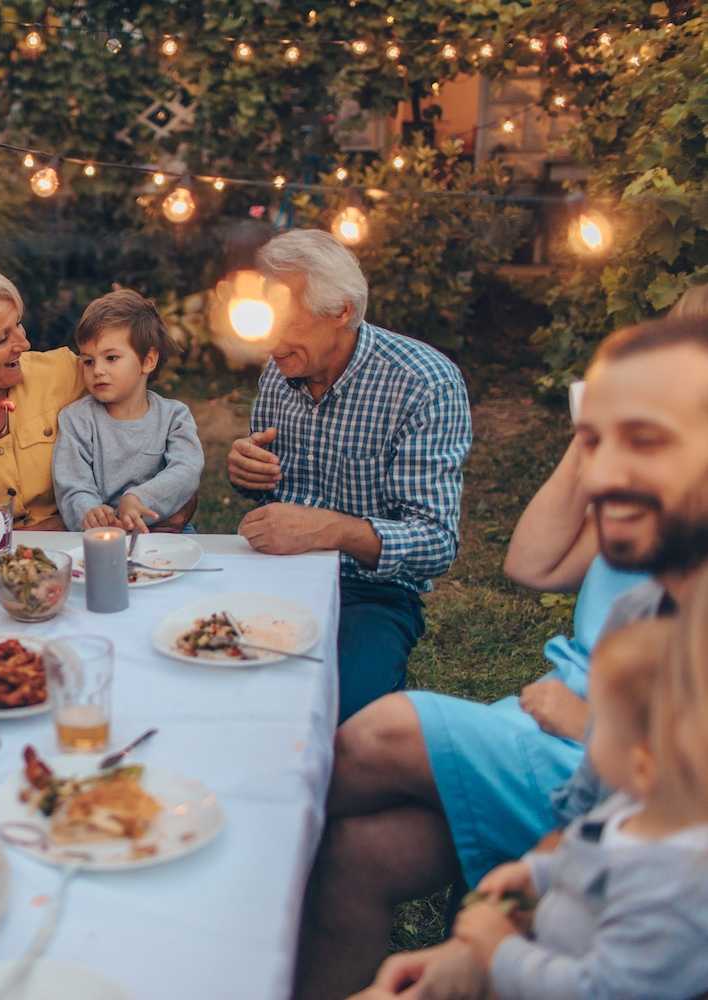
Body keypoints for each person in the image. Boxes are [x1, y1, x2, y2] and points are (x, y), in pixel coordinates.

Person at [296, 315, 708, 999]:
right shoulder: (645, 604)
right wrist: (472, 943)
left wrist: (590, 723)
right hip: (581, 795)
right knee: (354, 857)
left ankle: (225, 841)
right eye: (593, 440)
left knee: (386, 726)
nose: (603, 471)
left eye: (645, 438)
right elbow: (531, 563)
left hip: (598, 801)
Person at [227, 229, 473, 722]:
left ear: (340, 310)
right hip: (274, 574)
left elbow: (436, 542)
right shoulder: (281, 369)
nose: (268, 339)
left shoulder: (424, 383)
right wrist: (245, 472)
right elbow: (271, 493)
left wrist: (329, 529)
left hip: (371, 592)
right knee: (214, 691)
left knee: (341, 720)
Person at [447, 617, 708, 999]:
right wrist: (537, 875)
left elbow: (598, 990)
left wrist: (501, 951)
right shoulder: (632, 807)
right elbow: (595, 859)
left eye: (600, 723)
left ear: (641, 765)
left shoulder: (673, 894)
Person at [0, 263, 199, 531]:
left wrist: (169, 499)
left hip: (86, 551)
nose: (24, 343)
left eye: (19, 325)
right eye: (2, 338)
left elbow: (145, 422)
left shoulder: (68, 372)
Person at [51, 289, 204, 533]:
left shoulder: (174, 417)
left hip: (163, 530)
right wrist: (90, 512)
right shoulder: (76, 419)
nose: (97, 370)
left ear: (148, 361)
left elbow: (186, 471)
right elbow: (72, 484)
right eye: (89, 361)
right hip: (101, 535)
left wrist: (139, 499)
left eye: (111, 358)